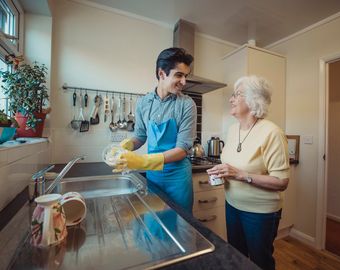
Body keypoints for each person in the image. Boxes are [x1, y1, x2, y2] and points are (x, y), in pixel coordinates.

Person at [207, 75, 289, 270]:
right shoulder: (232, 129)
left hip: (259, 212)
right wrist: (223, 172)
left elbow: (281, 181)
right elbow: (233, 165)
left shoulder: (272, 133)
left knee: (260, 261)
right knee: (237, 256)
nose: (231, 99)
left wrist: (240, 175)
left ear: (254, 100)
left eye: (237, 94)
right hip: (232, 204)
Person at [114, 47, 197, 213]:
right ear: (161, 74)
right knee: (155, 223)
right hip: (154, 177)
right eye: (179, 75)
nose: (184, 82)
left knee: (181, 227)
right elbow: (140, 135)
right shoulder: (143, 103)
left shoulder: (187, 105)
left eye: (185, 76)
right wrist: (127, 145)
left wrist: (143, 161)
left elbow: (182, 150)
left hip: (178, 179)